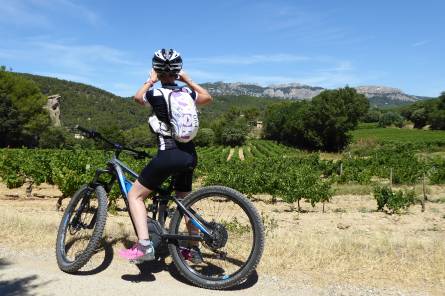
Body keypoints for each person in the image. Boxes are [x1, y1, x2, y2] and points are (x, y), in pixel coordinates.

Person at [118, 49, 212, 262]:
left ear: (157, 71)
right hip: (189, 155)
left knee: (135, 195)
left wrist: (150, 81)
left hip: (169, 154)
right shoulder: (186, 93)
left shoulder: (156, 93)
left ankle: (144, 246)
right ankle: (193, 250)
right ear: (178, 71)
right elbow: (207, 97)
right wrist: (188, 81)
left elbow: (137, 98)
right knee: (185, 201)